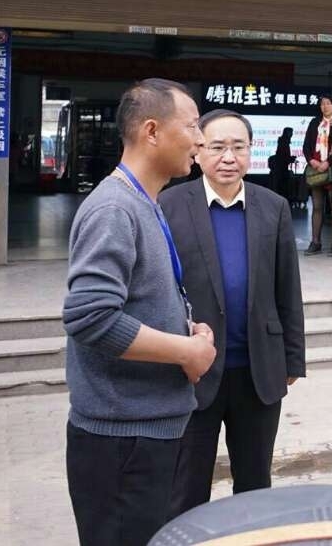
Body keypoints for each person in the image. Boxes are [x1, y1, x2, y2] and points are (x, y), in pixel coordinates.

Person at [62, 78, 216, 546]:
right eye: (192, 126)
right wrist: (185, 351)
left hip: (143, 432)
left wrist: (184, 328)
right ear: (152, 131)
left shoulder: (145, 203)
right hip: (121, 442)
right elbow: (91, 316)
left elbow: (132, 301)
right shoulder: (114, 209)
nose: (200, 140)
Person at [161, 109, 306, 516]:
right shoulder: (169, 205)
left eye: (238, 147)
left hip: (258, 371)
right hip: (194, 372)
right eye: (217, 147)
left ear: (250, 151)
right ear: (198, 150)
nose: (229, 157)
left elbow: (287, 289)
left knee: (255, 487)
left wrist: (293, 358)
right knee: (186, 489)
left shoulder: (273, 207)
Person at [302, 93, 332, 257]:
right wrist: (312, 161)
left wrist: (328, 162)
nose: (324, 106)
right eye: (322, 103)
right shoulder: (314, 123)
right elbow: (306, 146)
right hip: (316, 171)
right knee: (317, 207)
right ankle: (315, 242)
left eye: (328, 103)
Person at [268, 126, 295, 203]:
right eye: (290, 132)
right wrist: (290, 159)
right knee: (282, 187)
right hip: (281, 169)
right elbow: (283, 156)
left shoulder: (283, 141)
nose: (292, 134)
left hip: (281, 168)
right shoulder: (284, 142)